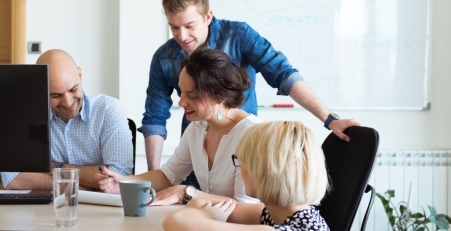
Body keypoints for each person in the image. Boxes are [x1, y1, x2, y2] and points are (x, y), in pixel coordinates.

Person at [139, 0, 360, 175]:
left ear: (208, 16)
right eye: (174, 27)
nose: (182, 36)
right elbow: (154, 119)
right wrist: (153, 174)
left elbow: (284, 75)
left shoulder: (239, 35)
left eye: (189, 26)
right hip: (196, 155)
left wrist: (329, 119)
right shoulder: (163, 57)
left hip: (243, 151)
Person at [96, 48, 261, 205]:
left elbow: (246, 207)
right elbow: (168, 176)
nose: (181, 102)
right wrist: (124, 181)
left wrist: (186, 193)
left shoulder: (252, 135)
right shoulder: (197, 128)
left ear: (219, 96)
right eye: (181, 92)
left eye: (192, 95)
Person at [0, 49, 133, 191]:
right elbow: (12, 179)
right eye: (56, 95)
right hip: (43, 210)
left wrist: (54, 167)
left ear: (80, 75)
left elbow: (118, 178)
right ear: (40, 88)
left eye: (73, 89)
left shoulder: (109, 109)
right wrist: (78, 187)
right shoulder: (22, 116)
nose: (68, 103)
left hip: (100, 210)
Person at [162, 121, 330, 231]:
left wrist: (210, 216)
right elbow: (210, 204)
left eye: (241, 161)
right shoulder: (279, 214)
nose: (240, 168)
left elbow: (175, 222)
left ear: (263, 170)